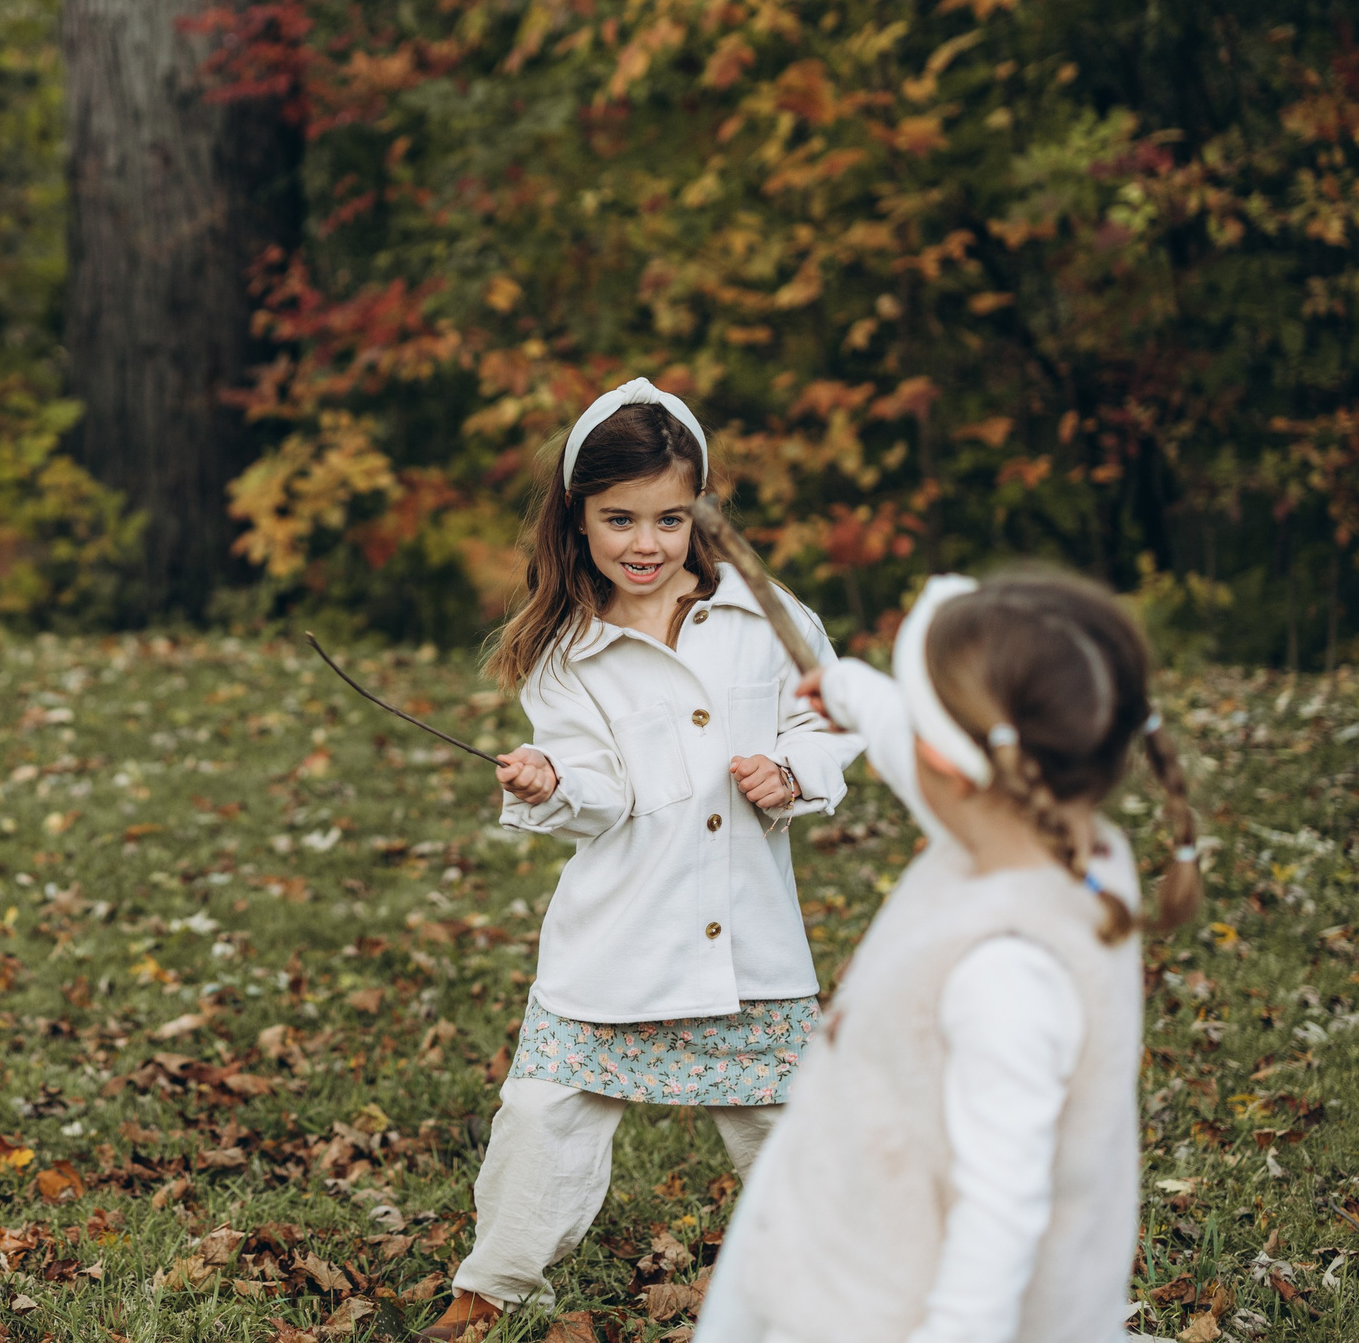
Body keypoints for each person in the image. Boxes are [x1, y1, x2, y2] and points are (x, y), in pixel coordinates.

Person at [421, 380, 860, 1339]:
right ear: (576, 517)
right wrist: (548, 779)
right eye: (619, 518)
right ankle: (495, 1283)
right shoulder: (567, 650)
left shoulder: (765, 615)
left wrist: (794, 769)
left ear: (702, 508)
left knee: (782, 1122)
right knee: (544, 1113)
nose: (646, 542)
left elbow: (830, 717)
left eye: (670, 516)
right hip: (619, 931)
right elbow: (598, 780)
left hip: (745, 936)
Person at [695, 570, 1199, 1343]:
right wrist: (852, 689)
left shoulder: (1009, 972)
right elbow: (915, 744)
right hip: (850, 1223)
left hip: (885, 1303)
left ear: (953, 765)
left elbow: (997, 1223)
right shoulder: (1062, 836)